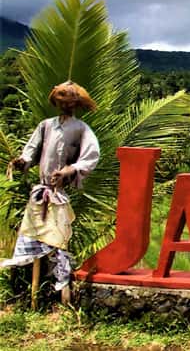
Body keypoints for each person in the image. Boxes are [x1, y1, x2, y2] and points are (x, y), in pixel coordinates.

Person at [2, 81, 100, 303]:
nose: (64, 105)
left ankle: (63, 298)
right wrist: (22, 161)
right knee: (32, 238)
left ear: (75, 104)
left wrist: (70, 170)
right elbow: (31, 150)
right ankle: (33, 295)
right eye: (61, 101)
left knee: (58, 243)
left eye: (69, 102)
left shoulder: (81, 129)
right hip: (40, 194)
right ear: (56, 102)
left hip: (58, 196)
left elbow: (91, 155)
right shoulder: (46, 126)